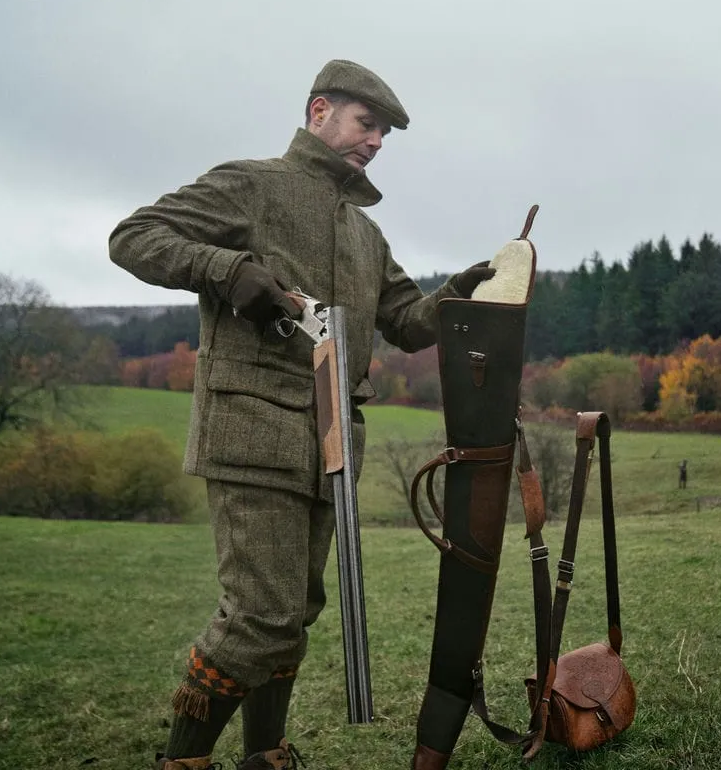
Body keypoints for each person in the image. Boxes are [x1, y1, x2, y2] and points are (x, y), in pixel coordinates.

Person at [108, 59, 494, 770]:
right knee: (261, 617)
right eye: (366, 123)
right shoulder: (253, 185)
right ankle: (182, 761)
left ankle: (267, 756)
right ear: (320, 112)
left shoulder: (363, 234)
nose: (376, 142)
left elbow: (406, 322)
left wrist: (460, 294)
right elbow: (133, 237)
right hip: (253, 430)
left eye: (384, 134)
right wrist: (229, 272)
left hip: (331, 445)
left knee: (295, 614)